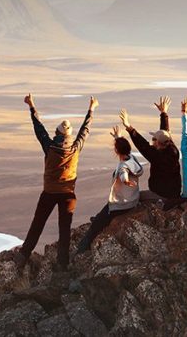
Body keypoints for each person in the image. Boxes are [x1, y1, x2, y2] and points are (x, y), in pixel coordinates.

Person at [15, 93, 95, 270]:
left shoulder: (49, 147)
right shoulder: (75, 148)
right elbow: (84, 131)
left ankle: (23, 255)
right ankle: (62, 264)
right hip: (68, 195)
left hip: (49, 193)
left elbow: (39, 128)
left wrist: (32, 106)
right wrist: (91, 110)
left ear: (57, 133)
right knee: (64, 229)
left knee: (38, 224)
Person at [75, 126, 144, 254]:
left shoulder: (123, 165)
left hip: (122, 204)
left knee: (95, 226)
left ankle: (81, 250)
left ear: (117, 151)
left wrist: (126, 181)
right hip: (133, 199)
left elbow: (123, 174)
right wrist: (117, 137)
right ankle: (98, 218)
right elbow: (124, 151)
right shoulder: (132, 159)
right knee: (101, 214)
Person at [119, 97, 181, 201]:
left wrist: (129, 128)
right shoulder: (172, 149)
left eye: (153, 139)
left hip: (161, 194)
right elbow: (164, 132)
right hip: (174, 191)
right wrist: (163, 113)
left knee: (132, 199)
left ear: (158, 143)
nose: (152, 141)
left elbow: (143, 145)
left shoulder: (157, 156)